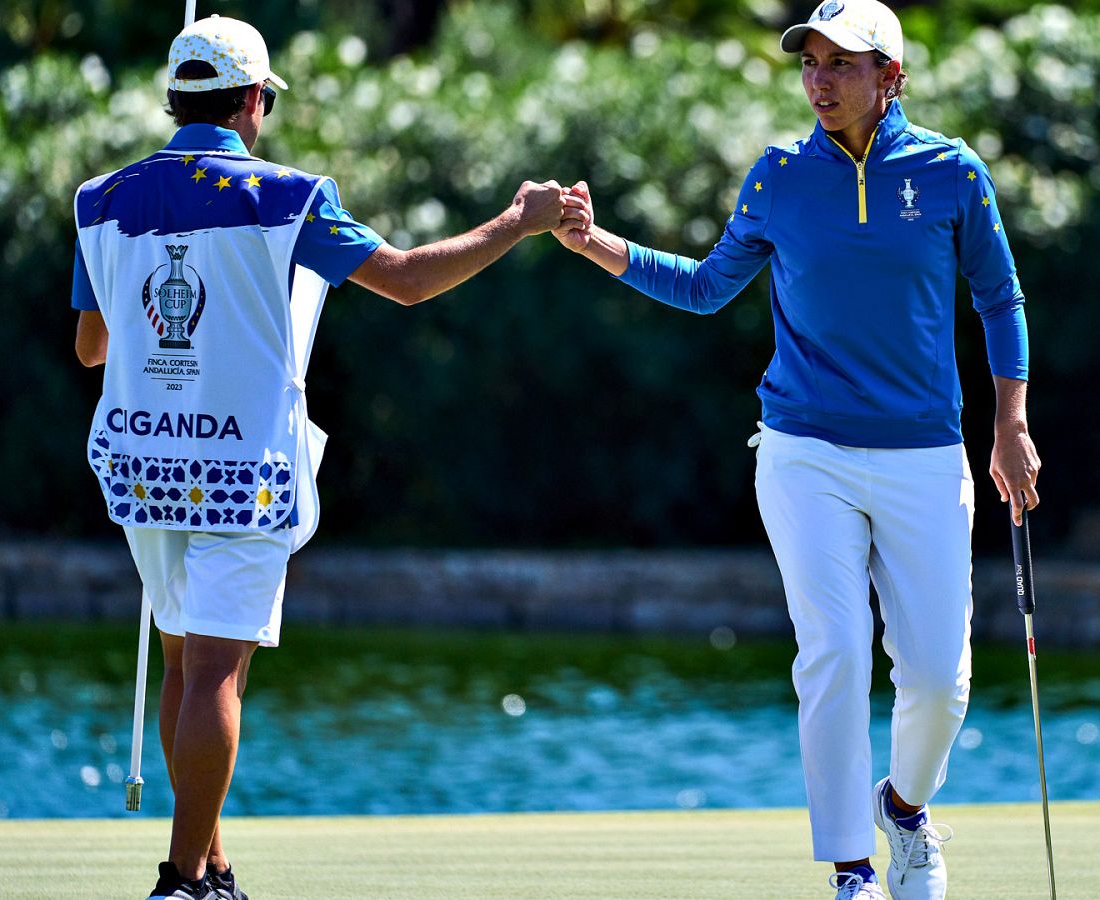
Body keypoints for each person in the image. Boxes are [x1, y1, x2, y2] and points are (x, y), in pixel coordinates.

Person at [70, 15, 579, 900]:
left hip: (141, 468)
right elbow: (412, 279)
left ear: (175, 99)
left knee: (188, 665)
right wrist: (519, 220)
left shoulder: (100, 199)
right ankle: (182, 877)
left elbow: (90, 348)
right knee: (215, 673)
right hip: (241, 467)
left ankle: (213, 861)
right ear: (253, 101)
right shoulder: (290, 197)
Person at [553, 1, 1040, 897]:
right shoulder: (777, 177)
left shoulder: (950, 173)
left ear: (890, 77)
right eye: (810, 63)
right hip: (803, 448)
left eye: (842, 64)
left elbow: (999, 300)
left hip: (926, 453)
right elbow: (705, 289)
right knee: (836, 651)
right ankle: (852, 867)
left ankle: (904, 810)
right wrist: (594, 243)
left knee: (938, 678)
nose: (820, 80)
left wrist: (1009, 423)